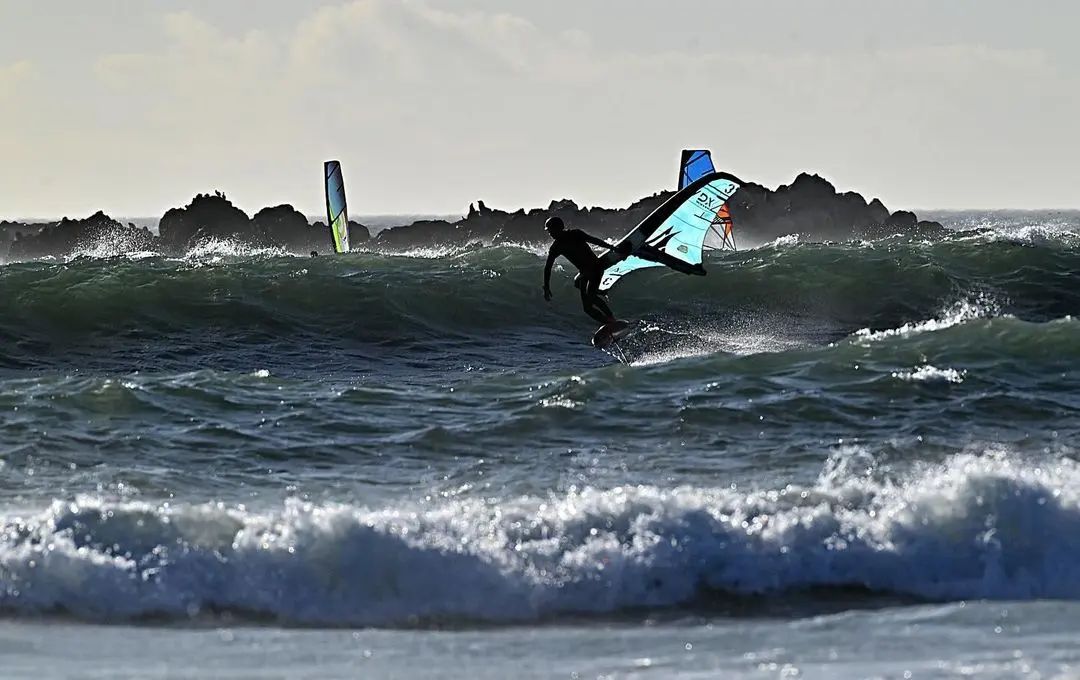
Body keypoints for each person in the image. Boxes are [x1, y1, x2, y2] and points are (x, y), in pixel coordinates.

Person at [542, 216, 628, 325]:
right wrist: (546, 287)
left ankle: (611, 319)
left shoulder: (576, 234)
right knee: (587, 309)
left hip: (596, 268)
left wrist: (613, 248)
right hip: (584, 273)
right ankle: (608, 323)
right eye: (549, 231)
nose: (550, 233)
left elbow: (595, 241)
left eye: (551, 230)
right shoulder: (556, 247)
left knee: (591, 296)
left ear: (559, 227)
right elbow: (548, 267)